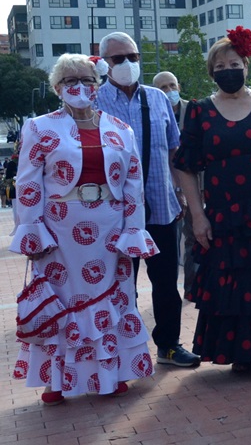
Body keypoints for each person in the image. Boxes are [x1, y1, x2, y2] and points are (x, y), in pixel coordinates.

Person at [9, 53, 159, 405]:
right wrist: (32, 230)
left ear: (97, 85)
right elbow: (28, 184)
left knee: (113, 296)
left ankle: (113, 375)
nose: (79, 87)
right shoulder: (39, 127)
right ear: (58, 88)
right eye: (69, 82)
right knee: (59, 300)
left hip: (110, 228)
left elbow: (133, 184)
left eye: (86, 80)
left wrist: (133, 229)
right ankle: (56, 382)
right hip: (60, 231)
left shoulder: (120, 129)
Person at [173, 27, 251, 373]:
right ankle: (240, 352)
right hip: (223, 214)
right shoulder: (199, 111)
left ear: (246, 64)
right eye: (219, 66)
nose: (227, 70)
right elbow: (185, 166)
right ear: (211, 72)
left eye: (234, 63)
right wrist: (197, 216)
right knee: (233, 281)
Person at [95, 32, 200, 368]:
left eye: (133, 57)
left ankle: (168, 345)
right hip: (115, 213)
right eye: (118, 59)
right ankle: (123, 348)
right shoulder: (93, 103)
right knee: (120, 283)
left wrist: (182, 192)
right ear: (105, 64)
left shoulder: (157, 99)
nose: (127, 64)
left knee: (166, 281)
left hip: (161, 206)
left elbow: (174, 151)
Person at [153, 71, 198, 301]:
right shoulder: (153, 114)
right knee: (171, 240)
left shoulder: (194, 110)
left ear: (178, 85)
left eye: (172, 85)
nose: (169, 91)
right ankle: (171, 291)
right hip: (166, 186)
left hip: (194, 182)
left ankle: (192, 288)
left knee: (194, 236)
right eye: (163, 88)